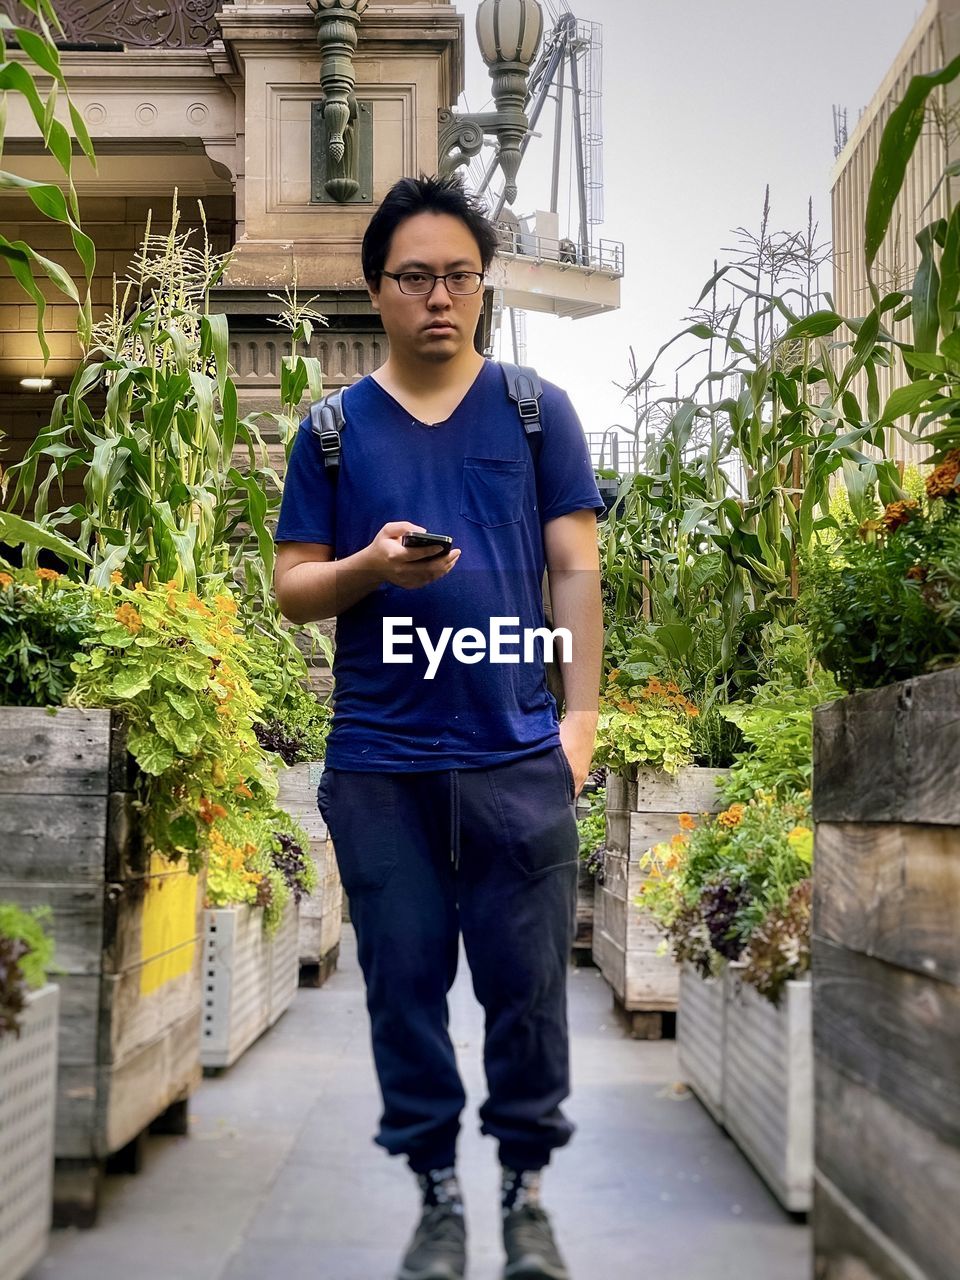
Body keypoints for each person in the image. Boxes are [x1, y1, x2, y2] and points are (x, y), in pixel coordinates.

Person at [273, 174, 604, 1280]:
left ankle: (524, 1189)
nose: (438, 297)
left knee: (527, 989)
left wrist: (582, 719)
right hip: (380, 763)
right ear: (378, 288)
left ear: (482, 283)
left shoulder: (532, 407)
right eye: (414, 276)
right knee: (403, 986)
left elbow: (574, 567)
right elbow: (291, 587)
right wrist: (369, 563)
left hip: (517, 756)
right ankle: (437, 1191)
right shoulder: (330, 431)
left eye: (459, 274)